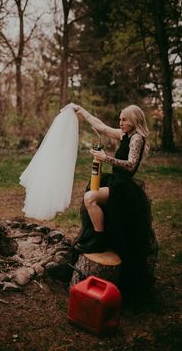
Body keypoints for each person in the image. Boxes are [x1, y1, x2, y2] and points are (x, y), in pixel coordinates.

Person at [70, 104, 158, 298]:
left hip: (124, 189)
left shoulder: (136, 138)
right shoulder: (126, 134)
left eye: (124, 120)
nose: (121, 123)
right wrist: (81, 111)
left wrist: (105, 158)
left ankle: (99, 239)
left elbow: (130, 165)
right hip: (116, 183)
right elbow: (101, 127)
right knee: (91, 196)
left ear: (134, 120)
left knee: (90, 197)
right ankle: (99, 237)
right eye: (120, 119)